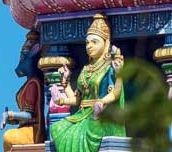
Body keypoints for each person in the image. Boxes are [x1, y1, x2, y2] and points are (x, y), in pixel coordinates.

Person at [48, 14, 125, 152]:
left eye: (94, 42)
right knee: (57, 128)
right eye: (87, 43)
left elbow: (116, 93)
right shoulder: (85, 70)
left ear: (106, 42)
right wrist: (61, 97)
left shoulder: (110, 66)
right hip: (82, 115)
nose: (89, 46)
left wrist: (101, 103)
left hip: (101, 114)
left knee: (92, 131)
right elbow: (78, 99)